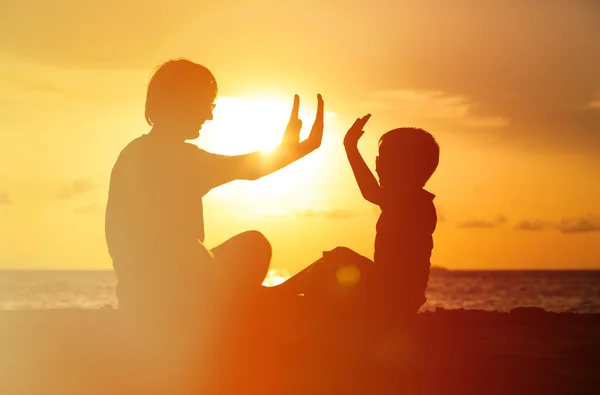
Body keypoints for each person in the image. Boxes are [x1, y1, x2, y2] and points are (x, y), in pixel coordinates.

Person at [104, 58, 324, 319]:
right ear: (182, 102)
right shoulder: (172, 158)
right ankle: (252, 308)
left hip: (146, 293)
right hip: (164, 301)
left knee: (252, 245)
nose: (209, 116)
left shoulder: (137, 152)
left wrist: (289, 150)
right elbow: (249, 169)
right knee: (250, 247)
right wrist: (295, 150)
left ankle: (255, 303)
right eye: (205, 105)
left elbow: (248, 169)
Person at [276, 115, 439, 318]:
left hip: (395, 298)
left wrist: (350, 147)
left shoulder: (413, 203)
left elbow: (370, 191)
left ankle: (282, 299)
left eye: (384, 157)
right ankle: (281, 294)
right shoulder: (411, 202)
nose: (377, 164)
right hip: (389, 290)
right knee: (338, 255)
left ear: (406, 167)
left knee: (322, 273)